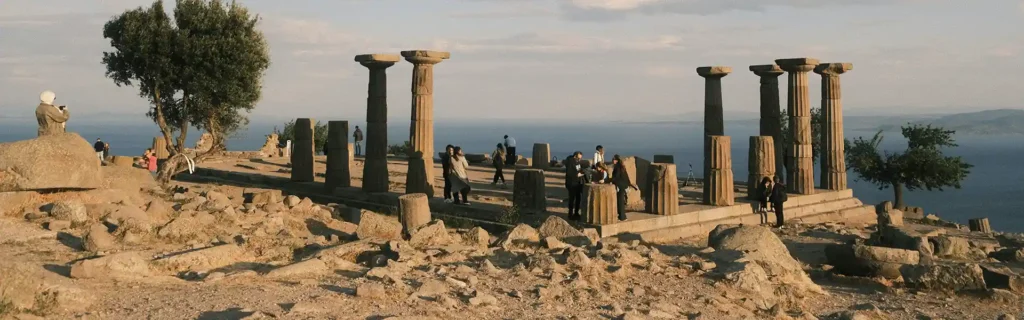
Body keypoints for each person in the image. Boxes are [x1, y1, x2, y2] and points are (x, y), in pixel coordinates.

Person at [611, 155, 640, 221]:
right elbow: (626, 177)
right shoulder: (622, 166)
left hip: (620, 186)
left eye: (613, 159)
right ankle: (621, 216)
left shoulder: (617, 167)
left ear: (616, 160)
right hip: (623, 185)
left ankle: (622, 217)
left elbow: (617, 177)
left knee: (620, 201)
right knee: (621, 201)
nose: (612, 161)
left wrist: (611, 181)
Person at [564, 151, 585, 220]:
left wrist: (582, 172)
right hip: (571, 183)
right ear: (575, 156)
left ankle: (576, 212)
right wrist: (577, 175)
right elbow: (569, 173)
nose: (579, 160)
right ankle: (570, 214)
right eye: (579, 158)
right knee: (572, 199)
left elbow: (579, 169)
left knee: (578, 198)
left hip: (578, 183)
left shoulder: (577, 162)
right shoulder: (570, 162)